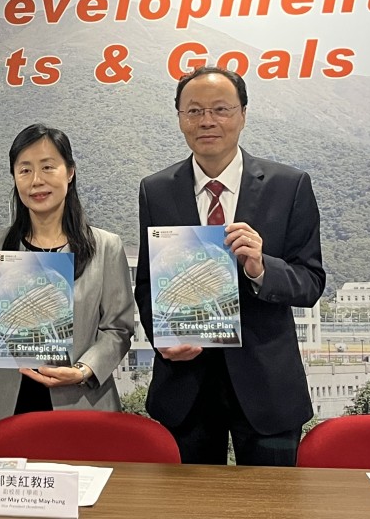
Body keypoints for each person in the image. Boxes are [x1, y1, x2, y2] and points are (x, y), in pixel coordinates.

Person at [135, 66, 325, 466]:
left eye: (221, 109)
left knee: (273, 499)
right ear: (180, 118)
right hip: (185, 388)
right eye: (194, 111)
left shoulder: (289, 185)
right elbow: (148, 285)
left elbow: (310, 282)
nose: (207, 121)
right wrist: (162, 339)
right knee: (186, 500)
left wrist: (260, 268)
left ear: (243, 114)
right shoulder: (156, 189)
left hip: (267, 389)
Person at [0, 124, 134, 446]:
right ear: (14, 178)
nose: (36, 181)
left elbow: (118, 330)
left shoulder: (106, 247)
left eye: (47, 167)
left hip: (81, 403)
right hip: (1, 406)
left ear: (69, 172)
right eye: (25, 170)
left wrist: (83, 370)